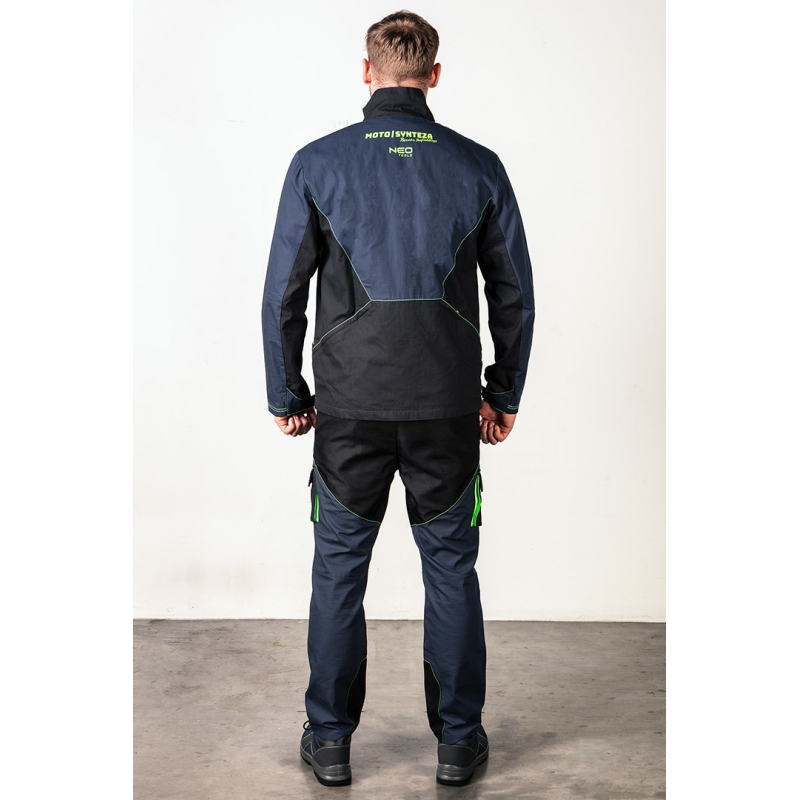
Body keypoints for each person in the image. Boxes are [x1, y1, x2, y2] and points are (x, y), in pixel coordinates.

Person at [261, 10, 534, 787]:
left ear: (367, 70)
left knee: (338, 571)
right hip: (446, 407)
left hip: (348, 408)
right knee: (450, 570)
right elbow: (514, 293)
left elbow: (282, 293)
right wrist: (503, 392)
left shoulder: (317, 162)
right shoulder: (478, 166)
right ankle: (458, 743)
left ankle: (329, 740)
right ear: (433, 75)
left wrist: (287, 392)